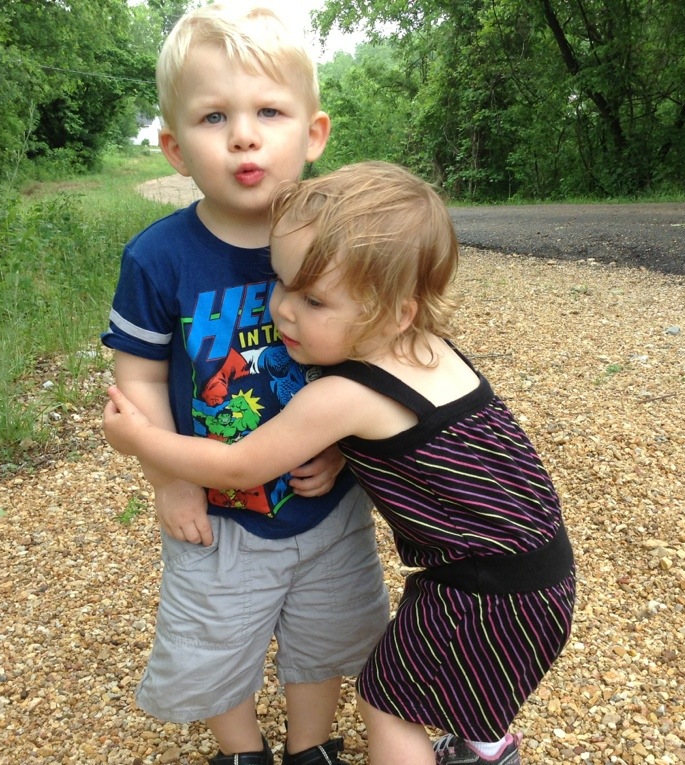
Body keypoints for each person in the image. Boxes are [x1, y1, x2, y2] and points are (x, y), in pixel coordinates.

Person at [104, 161, 578, 765]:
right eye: (281, 283)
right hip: (540, 572)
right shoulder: (431, 351)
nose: (282, 310)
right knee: (457, 680)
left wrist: (142, 440)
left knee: (388, 705)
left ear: (396, 313)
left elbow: (240, 466)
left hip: (478, 589)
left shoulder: (342, 396)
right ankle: (485, 747)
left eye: (313, 299)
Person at [100, 6, 389, 765]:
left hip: (325, 497)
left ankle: (310, 744)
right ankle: (240, 749)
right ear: (174, 148)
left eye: (269, 112)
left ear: (313, 133)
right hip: (215, 506)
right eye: (213, 117)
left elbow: (376, 362)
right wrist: (168, 479)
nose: (243, 136)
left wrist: (348, 450)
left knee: (327, 626)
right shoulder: (159, 258)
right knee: (213, 632)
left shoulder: (341, 242)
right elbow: (138, 375)